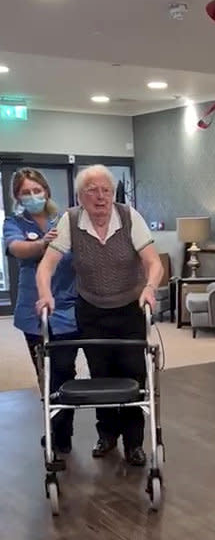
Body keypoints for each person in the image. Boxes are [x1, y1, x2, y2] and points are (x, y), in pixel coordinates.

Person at [36, 164, 163, 467]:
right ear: (80, 196)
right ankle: (106, 436)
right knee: (101, 375)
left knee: (134, 375)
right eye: (92, 190)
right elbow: (46, 265)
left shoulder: (130, 217)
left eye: (105, 189)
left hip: (130, 308)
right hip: (91, 308)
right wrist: (45, 294)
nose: (100, 196)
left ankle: (134, 443)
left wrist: (150, 288)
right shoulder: (71, 220)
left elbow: (153, 262)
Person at [3, 168, 78, 454]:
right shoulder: (14, 222)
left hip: (69, 303)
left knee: (65, 369)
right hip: (35, 309)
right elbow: (18, 248)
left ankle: (64, 427)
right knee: (46, 373)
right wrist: (43, 243)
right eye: (26, 192)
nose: (33, 196)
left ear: (46, 191)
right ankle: (57, 432)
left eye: (37, 190)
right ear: (18, 197)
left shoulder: (64, 220)